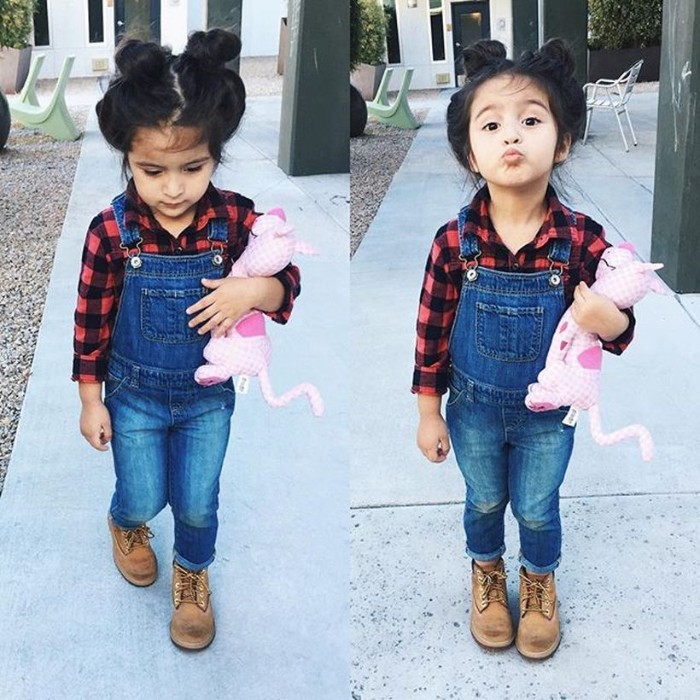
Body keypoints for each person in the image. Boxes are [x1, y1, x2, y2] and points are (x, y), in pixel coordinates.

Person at [72, 29, 300, 650]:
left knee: (198, 500)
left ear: (215, 156)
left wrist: (256, 292)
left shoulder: (236, 219)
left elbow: (288, 279)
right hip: (134, 394)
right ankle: (126, 523)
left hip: (207, 398)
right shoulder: (112, 231)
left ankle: (194, 575)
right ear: (127, 158)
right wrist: (92, 400)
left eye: (192, 167)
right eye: (153, 170)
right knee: (143, 491)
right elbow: (90, 320)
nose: (173, 186)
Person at [412, 39, 635, 659]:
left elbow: (624, 326)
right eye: (493, 124)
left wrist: (607, 318)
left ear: (561, 143)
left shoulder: (582, 239)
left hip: (548, 418)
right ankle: (486, 572)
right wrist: (429, 410)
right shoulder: (453, 242)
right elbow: (430, 333)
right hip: (474, 408)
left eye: (531, 121)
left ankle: (538, 582)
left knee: (537, 507)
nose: (512, 136)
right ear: (470, 150)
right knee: (483, 497)